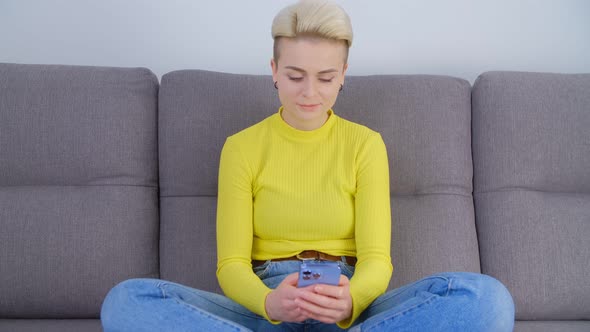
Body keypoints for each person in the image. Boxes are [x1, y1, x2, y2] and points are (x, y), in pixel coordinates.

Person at [100, 1, 515, 331]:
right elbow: (230, 266)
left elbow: (376, 260)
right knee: (125, 301)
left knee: (488, 300)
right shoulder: (241, 148)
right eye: (296, 76)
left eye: (325, 77)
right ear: (275, 71)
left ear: (343, 76)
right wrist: (270, 303)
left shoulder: (365, 145)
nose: (309, 93)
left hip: (347, 303)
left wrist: (350, 300)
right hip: (267, 304)